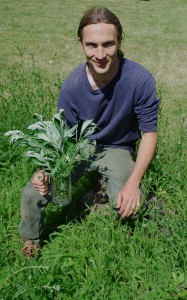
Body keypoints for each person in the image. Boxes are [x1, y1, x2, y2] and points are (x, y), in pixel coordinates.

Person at [20, 7, 159, 257]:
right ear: (81, 44)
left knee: (128, 205)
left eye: (108, 44)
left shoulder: (140, 79)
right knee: (33, 190)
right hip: (80, 147)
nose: (100, 54)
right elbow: (63, 136)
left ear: (119, 41)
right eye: (91, 45)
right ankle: (31, 239)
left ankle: (102, 194)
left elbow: (149, 133)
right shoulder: (72, 85)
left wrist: (134, 182)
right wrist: (46, 168)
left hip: (118, 147)